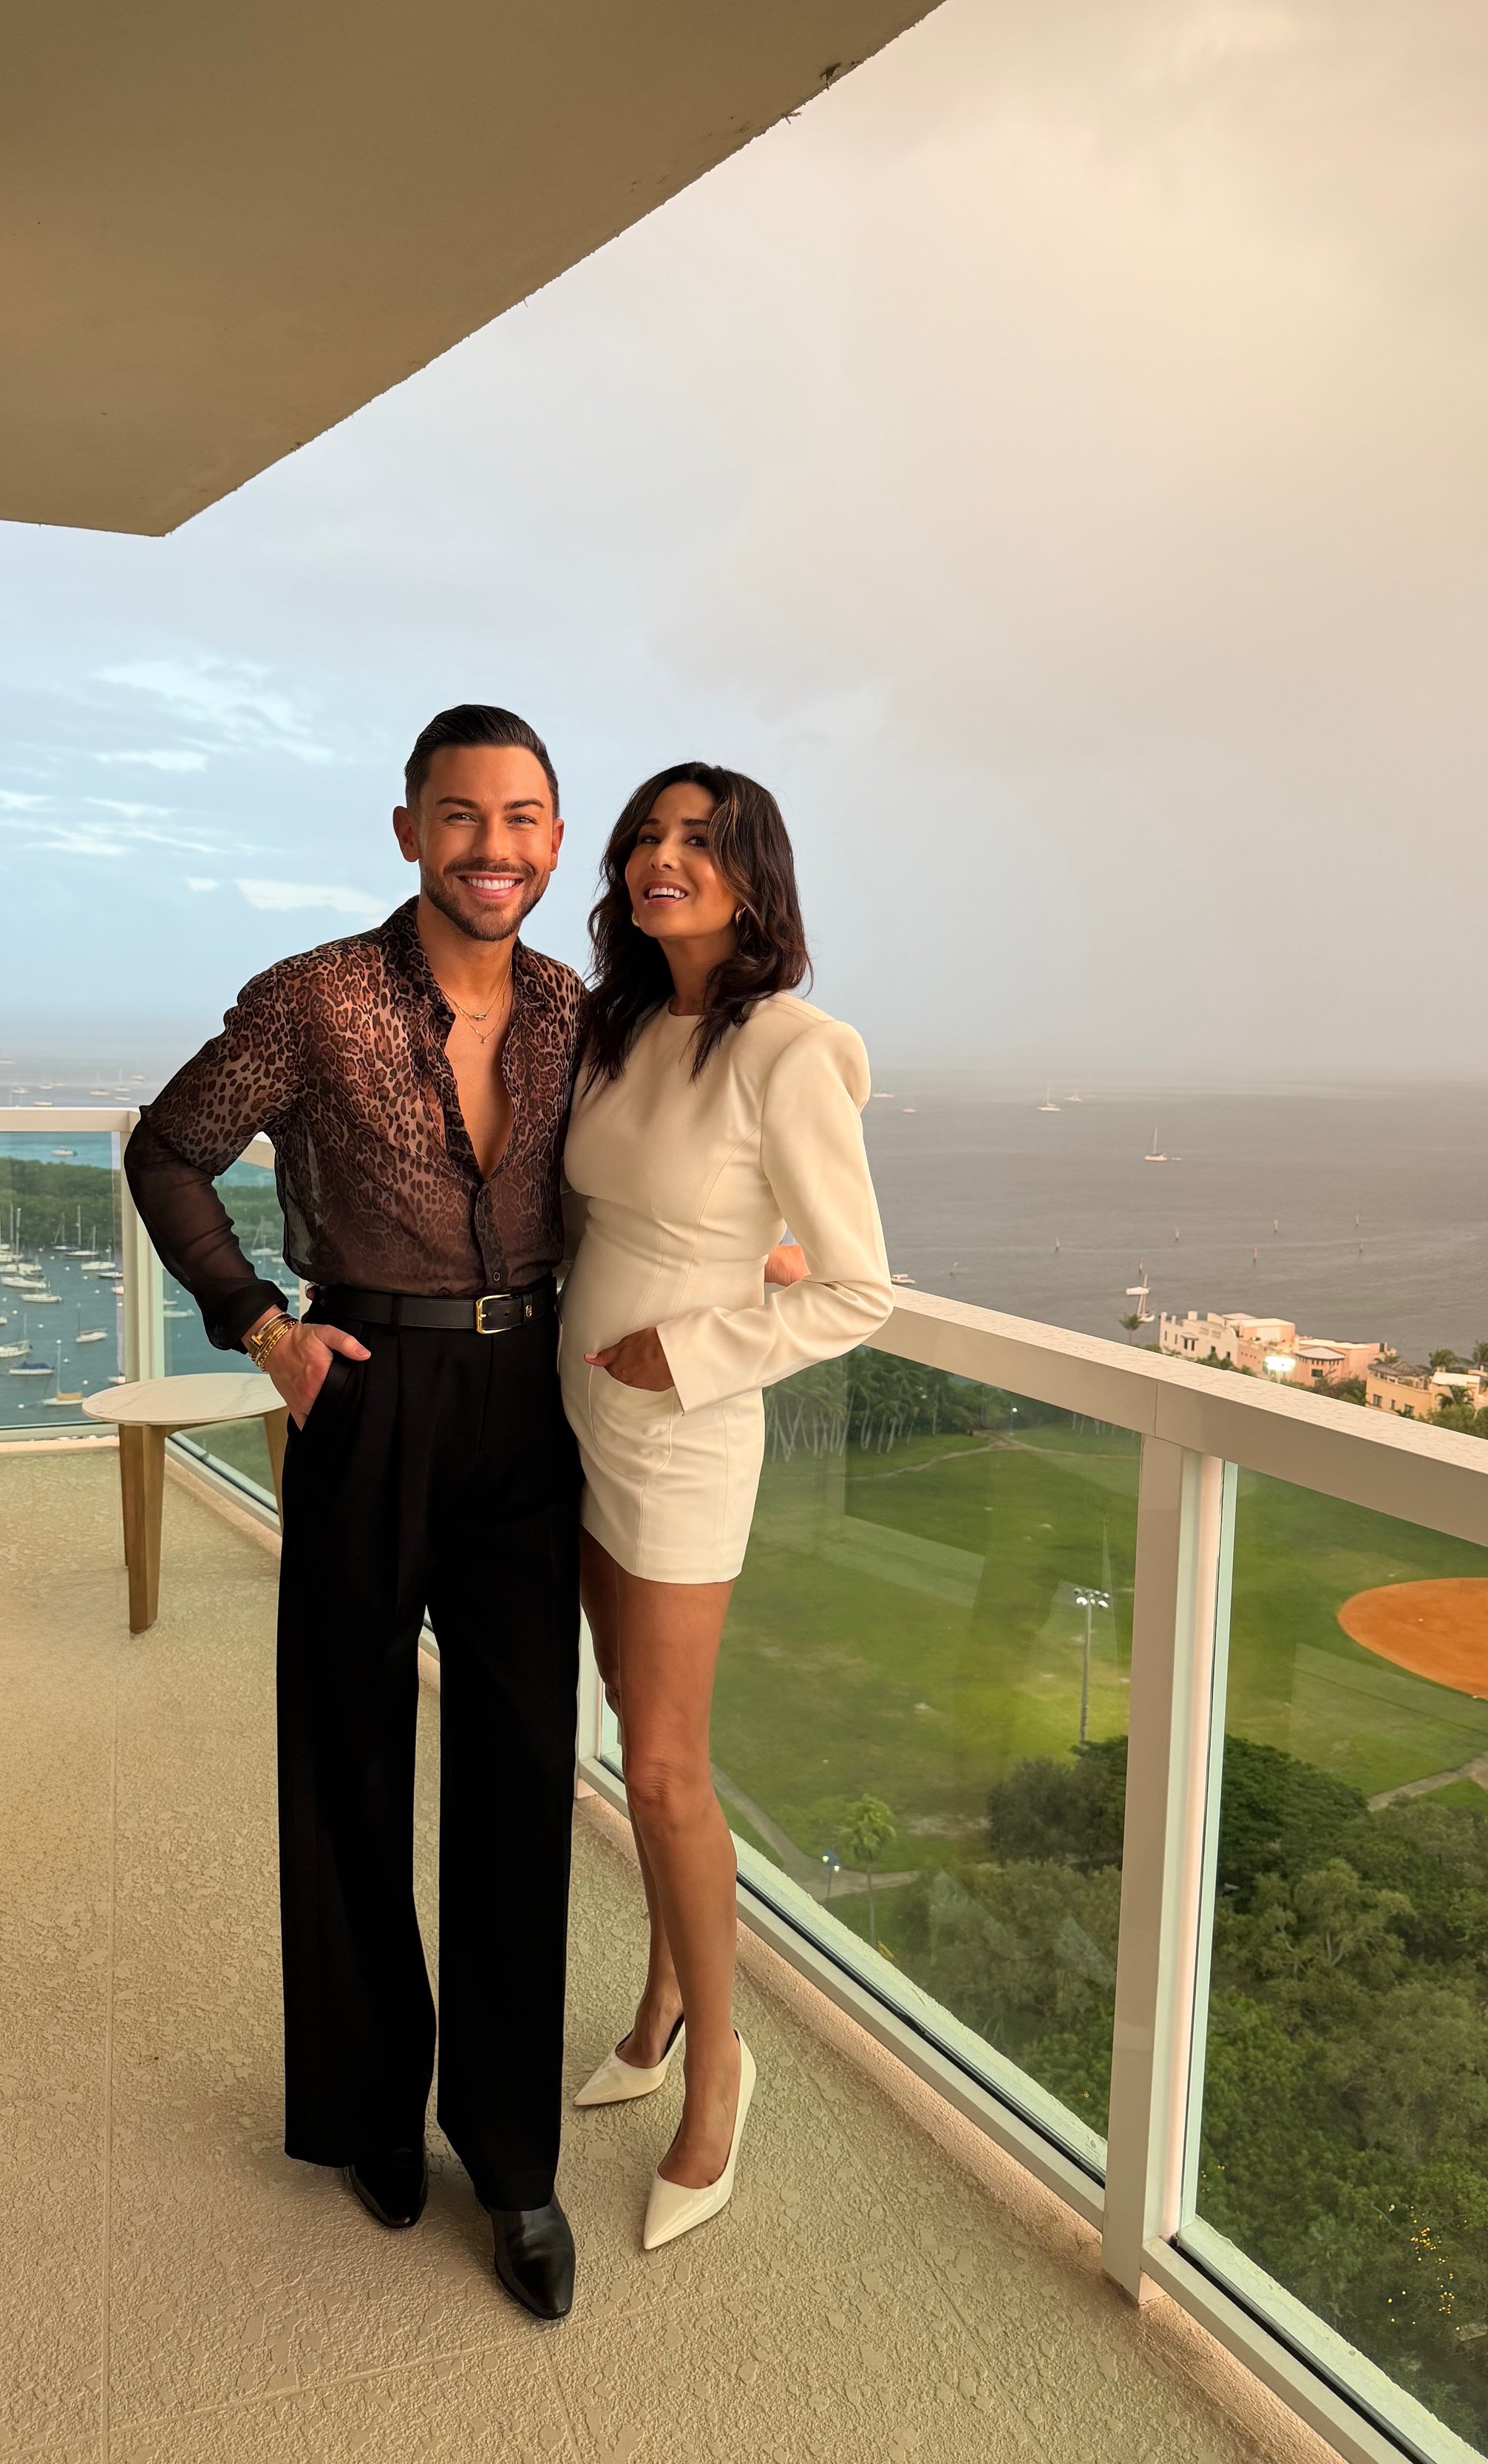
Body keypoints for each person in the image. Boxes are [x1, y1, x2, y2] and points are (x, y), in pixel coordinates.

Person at [123, 704, 585, 2322]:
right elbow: (169, 1148)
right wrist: (259, 1322)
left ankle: (510, 2156)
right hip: (364, 1386)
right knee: (347, 1757)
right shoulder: (311, 997)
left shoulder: (567, 1008)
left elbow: (643, 1178)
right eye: (462, 817)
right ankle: (371, 2109)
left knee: (526, 1775)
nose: (494, 848)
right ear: (406, 830)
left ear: (551, 836)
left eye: (524, 818)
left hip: (529, 1401)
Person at [560, 761, 892, 2250]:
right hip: (570, 1413)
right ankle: (655, 2000)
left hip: (681, 1432)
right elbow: (616, 1208)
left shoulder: (793, 1045)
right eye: (645, 835)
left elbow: (857, 1288)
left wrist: (692, 1341)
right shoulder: (619, 1024)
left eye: (697, 839)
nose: (658, 857)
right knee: (629, 1740)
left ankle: (719, 2074)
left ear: (754, 872)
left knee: (668, 1773)